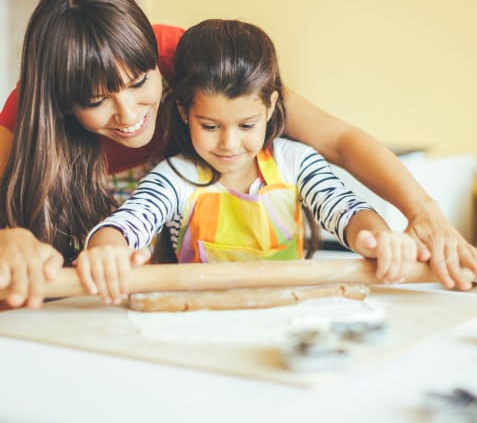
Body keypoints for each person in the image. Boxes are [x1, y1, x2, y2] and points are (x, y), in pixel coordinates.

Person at [0, 0, 477, 309]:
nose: (129, 116)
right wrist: (12, 237)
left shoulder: (189, 60)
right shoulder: (33, 112)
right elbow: (131, 219)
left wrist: (420, 217)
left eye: (140, 83)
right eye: (96, 101)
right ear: (60, 103)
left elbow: (337, 144)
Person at [78, 19, 419, 304]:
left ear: (270, 107)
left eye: (247, 125)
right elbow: (128, 223)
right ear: (184, 112)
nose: (229, 143)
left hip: (287, 318)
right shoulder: (173, 177)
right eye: (210, 126)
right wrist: (106, 250)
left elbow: (345, 209)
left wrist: (378, 238)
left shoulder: (296, 162)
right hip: (197, 324)